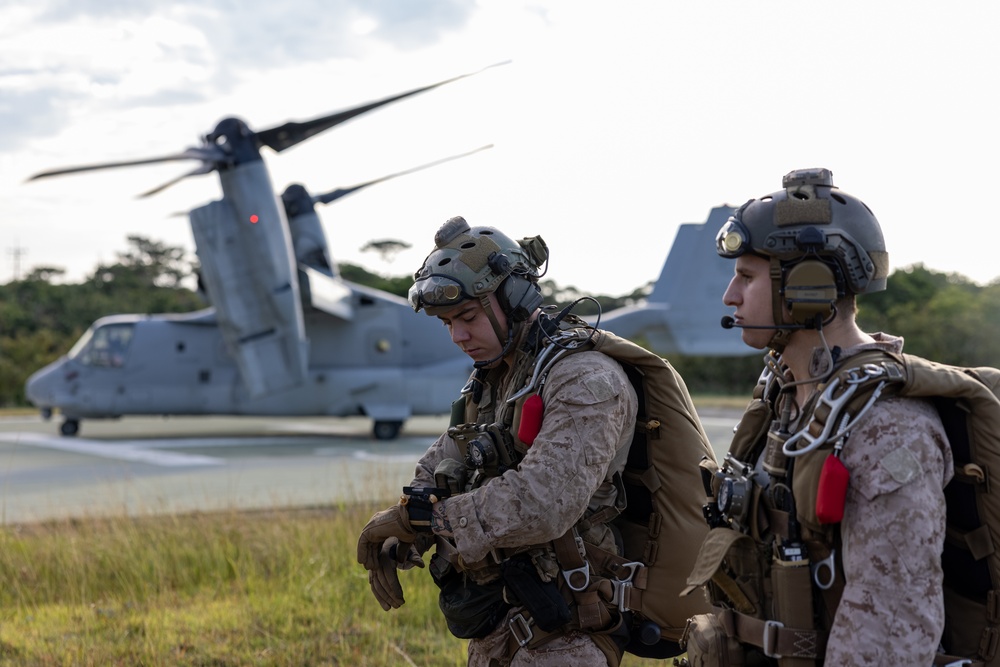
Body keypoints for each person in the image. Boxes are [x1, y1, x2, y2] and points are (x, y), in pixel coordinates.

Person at [682, 168, 953, 666]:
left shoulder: (887, 426)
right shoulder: (784, 394)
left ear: (808, 286)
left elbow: (887, 636)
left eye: (747, 277)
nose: (730, 296)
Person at [356, 216, 642, 666]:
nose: (458, 336)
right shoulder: (495, 380)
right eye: (447, 323)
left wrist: (425, 521)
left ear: (516, 297)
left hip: (567, 635)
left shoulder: (585, 379)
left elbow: (544, 502)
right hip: (503, 626)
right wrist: (404, 534)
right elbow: (445, 458)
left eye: (468, 317)